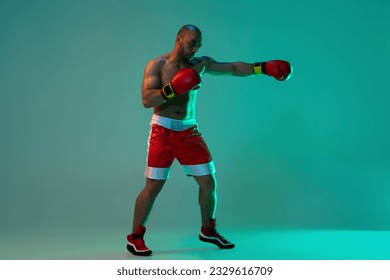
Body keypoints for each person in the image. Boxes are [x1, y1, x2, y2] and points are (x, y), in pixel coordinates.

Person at [127, 24, 292, 256]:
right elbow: (146, 99)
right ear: (179, 38)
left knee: (209, 183)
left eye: (198, 45)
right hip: (162, 132)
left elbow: (233, 68)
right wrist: (173, 89)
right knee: (153, 185)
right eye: (191, 43)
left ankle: (208, 230)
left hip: (188, 132)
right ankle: (135, 237)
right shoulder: (157, 65)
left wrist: (263, 68)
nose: (194, 49)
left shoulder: (199, 64)